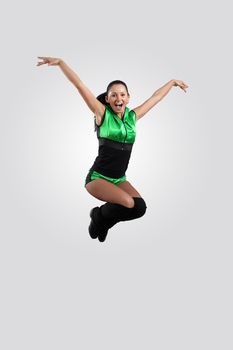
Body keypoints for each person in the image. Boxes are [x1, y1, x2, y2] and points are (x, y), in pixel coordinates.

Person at [37, 56, 188, 242]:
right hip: (97, 178)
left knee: (139, 208)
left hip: (118, 179)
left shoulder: (133, 117)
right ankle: (98, 215)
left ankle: (104, 222)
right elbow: (79, 85)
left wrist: (172, 82)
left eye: (122, 94)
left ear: (128, 97)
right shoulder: (102, 114)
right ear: (108, 99)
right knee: (127, 203)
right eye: (114, 95)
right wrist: (61, 63)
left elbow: (155, 98)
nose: (119, 98)